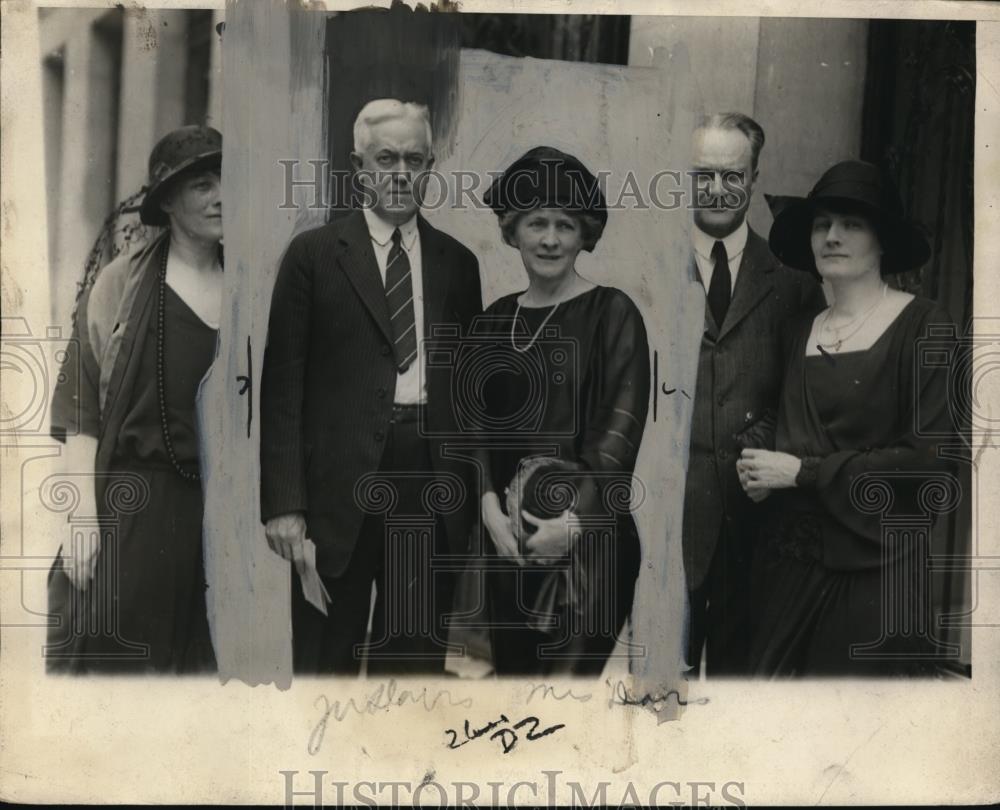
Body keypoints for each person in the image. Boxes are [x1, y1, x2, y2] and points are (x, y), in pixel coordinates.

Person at [259, 99, 483, 675]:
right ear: (358, 167)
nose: (401, 174)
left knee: (410, 671)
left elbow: (466, 395)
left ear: (431, 165)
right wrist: (285, 504)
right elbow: (283, 389)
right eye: (386, 159)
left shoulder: (458, 264)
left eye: (414, 159)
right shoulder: (313, 256)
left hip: (429, 487)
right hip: (337, 492)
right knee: (324, 666)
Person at [740, 160, 957, 677]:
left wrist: (801, 472)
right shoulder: (798, 330)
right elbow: (783, 418)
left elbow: (927, 462)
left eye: (852, 224)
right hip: (787, 564)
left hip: (875, 569)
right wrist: (754, 462)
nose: (832, 237)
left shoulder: (924, 325)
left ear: (883, 241)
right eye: (821, 224)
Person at [47, 125, 223, 673]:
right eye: (202, 184)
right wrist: (81, 518)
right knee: (122, 675)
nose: (221, 197)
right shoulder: (120, 286)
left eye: (229, 183)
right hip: (136, 509)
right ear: (167, 201)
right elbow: (81, 413)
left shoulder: (252, 286)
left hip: (218, 518)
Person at [478, 146, 650, 675]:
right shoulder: (493, 321)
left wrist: (571, 527)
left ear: (584, 235)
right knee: (513, 704)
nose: (549, 239)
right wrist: (489, 508)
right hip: (509, 548)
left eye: (564, 225)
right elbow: (474, 434)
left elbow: (617, 442)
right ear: (512, 230)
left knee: (563, 709)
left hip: (588, 549)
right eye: (536, 223)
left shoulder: (612, 313)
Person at [682, 113, 827, 676]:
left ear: (754, 175)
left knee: (739, 694)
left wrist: (757, 445)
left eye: (733, 176)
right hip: (672, 521)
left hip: (756, 521)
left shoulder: (794, 287)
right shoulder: (646, 272)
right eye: (703, 175)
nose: (718, 189)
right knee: (654, 697)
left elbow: (805, 398)